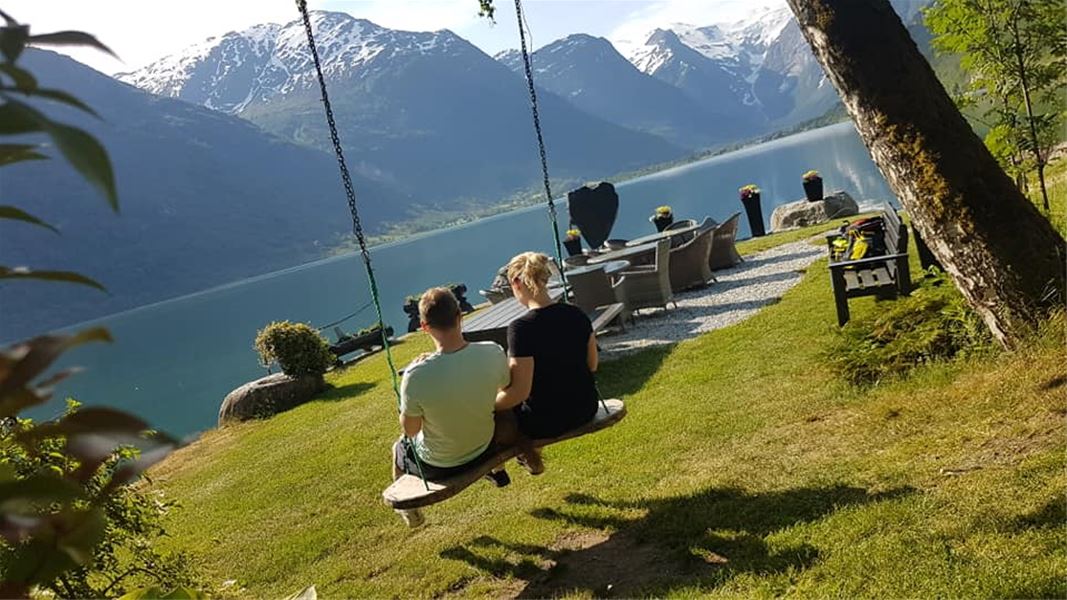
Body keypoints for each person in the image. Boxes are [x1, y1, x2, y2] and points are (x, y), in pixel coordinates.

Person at [392, 287, 510, 527]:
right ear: (460, 316)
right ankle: (498, 470)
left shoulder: (416, 374)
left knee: (398, 448)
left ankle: (410, 511)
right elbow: (504, 388)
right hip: (484, 446)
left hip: (440, 464)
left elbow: (411, 430)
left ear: (424, 327)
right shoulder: (493, 351)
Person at [495, 251, 600, 474]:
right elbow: (592, 365)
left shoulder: (521, 328)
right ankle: (528, 458)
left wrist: (486, 405)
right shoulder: (576, 314)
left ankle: (512, 464)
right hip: (586, 407)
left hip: (547, 421)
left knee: (500, 411)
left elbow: (519, 393)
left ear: (516, 283)